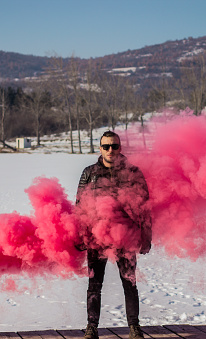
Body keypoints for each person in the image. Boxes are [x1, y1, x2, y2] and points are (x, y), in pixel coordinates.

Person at [76, 131, 152, 339]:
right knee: (94, 284)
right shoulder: (89, 173)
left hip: (125, 236)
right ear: (100, 148)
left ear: (120, 148)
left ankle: (134, 327)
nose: (111, 150)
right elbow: (79, 206)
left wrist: (146, 236)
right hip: (96, 237)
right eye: (106, 146)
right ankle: (92, 328)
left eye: (115, 146)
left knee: (129, 282)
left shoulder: (134, 172)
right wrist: (81, 235)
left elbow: (145, 206)